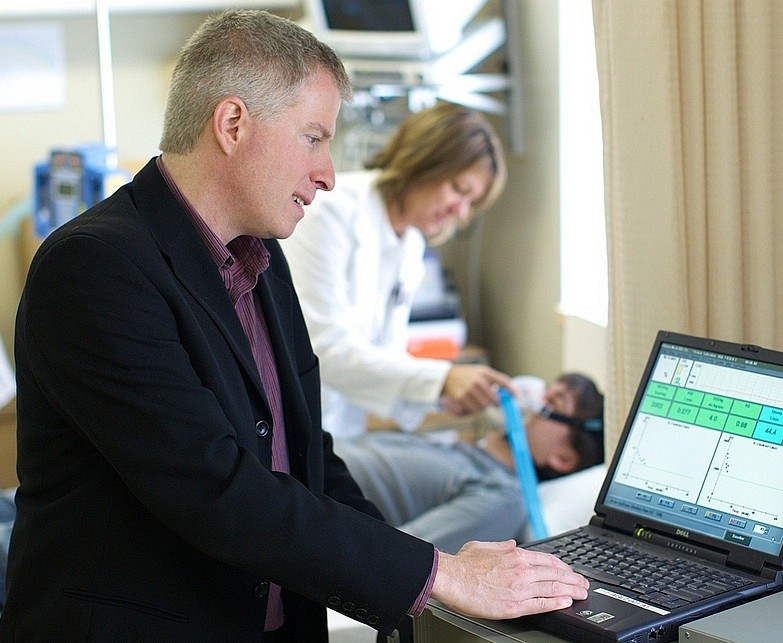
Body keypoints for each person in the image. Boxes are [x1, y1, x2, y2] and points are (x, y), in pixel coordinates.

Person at [0, 9, 588, 642]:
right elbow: (216, 488)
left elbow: (307, 458)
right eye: (314, 138)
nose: (329, 173)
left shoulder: (260, 259)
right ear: (232, 125)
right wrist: (440, 573)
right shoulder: (96, 268)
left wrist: (412, 592)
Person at [280, 101, 514, 440]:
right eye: (459, 191)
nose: (460, 213)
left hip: (340, 433)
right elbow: (323, 348)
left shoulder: (410, 243)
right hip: (291, 430)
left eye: (471, 203)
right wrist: (441, 380)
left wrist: (442, 397)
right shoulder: (328, 213)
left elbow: (382, 357)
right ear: (422, 160)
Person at [336, 373, 605, 554]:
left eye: (553, 403)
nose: (534, 398)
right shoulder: (462, 448)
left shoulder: (504, 497)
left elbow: (396, 554)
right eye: (545, 390)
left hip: (309, 490)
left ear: (563, 458)